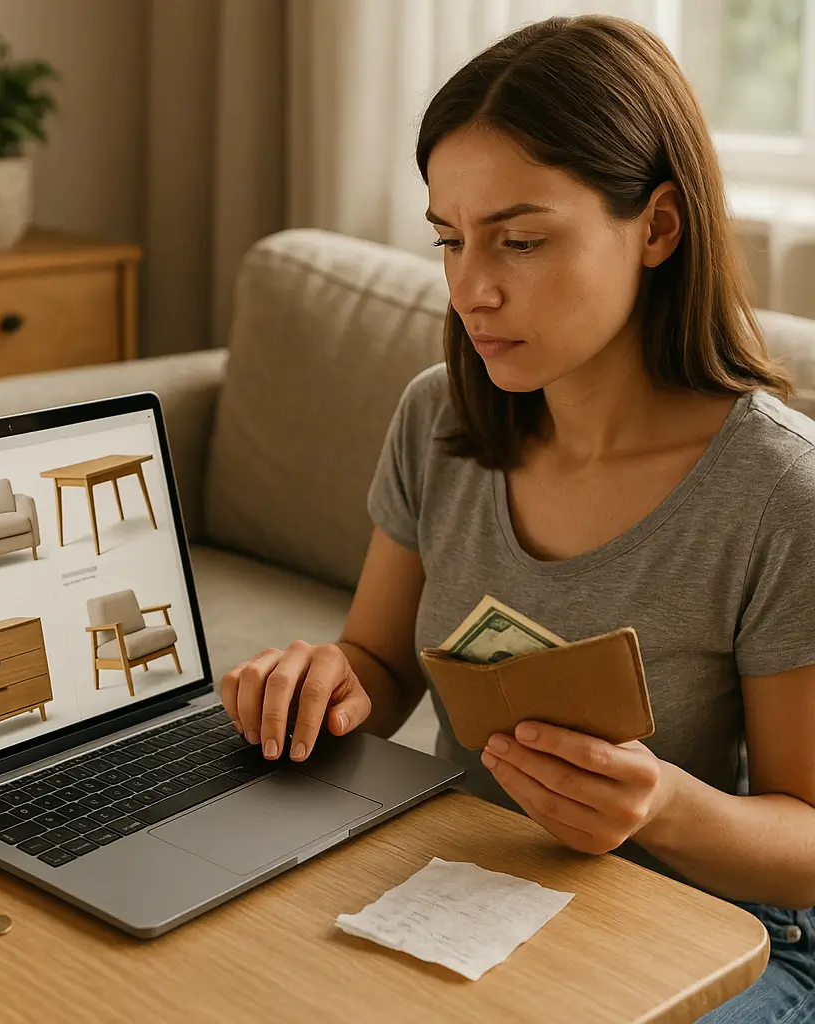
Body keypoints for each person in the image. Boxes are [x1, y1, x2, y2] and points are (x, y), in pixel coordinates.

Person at [219, 14, 815, 1021]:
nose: (469, 288)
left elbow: (804, 846)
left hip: (718, 934)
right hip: (478, 895)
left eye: (521, 240)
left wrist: (660, 803)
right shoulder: (437, 420)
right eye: (449, 239)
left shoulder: (775, 494)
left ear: (659, 227)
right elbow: (380, 663)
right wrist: (320, 684)